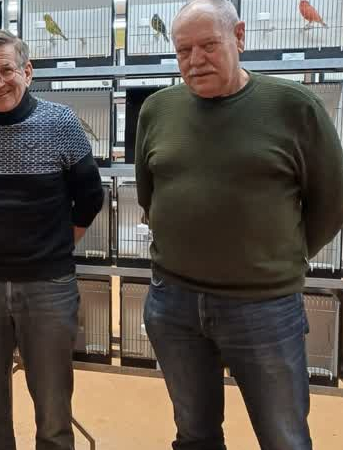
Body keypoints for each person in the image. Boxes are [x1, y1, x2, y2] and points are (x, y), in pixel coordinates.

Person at [134, 1, 343, 449]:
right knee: (194, 434)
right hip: (174, 302)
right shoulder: (157, 109)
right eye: (184, 50)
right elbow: (149, 194)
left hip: (264, 305)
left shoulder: (294, 106)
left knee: (284, 437)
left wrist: (279, 257)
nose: (195, 60)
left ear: (240, 37)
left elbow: (332, 201)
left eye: (208, 45)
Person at [0, 30, 104, 450]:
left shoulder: (61, 123)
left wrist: (55, 245)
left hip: (48, 285)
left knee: (53, 408)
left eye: (6, 70)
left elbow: (91, 196)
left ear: (27, 72)